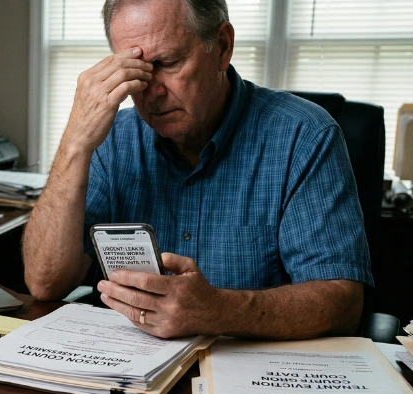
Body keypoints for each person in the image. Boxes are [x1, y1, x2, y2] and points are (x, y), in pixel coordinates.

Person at [22, 0, 373, 340]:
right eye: (135, 72)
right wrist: (74, 143)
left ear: (221, 47)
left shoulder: (304, 135)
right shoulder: (111, 138)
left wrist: (218, 310)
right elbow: (45, 283)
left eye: (168, 63)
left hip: (248, 373)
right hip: (126, 368)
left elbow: (342, 303)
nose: (151, 93)